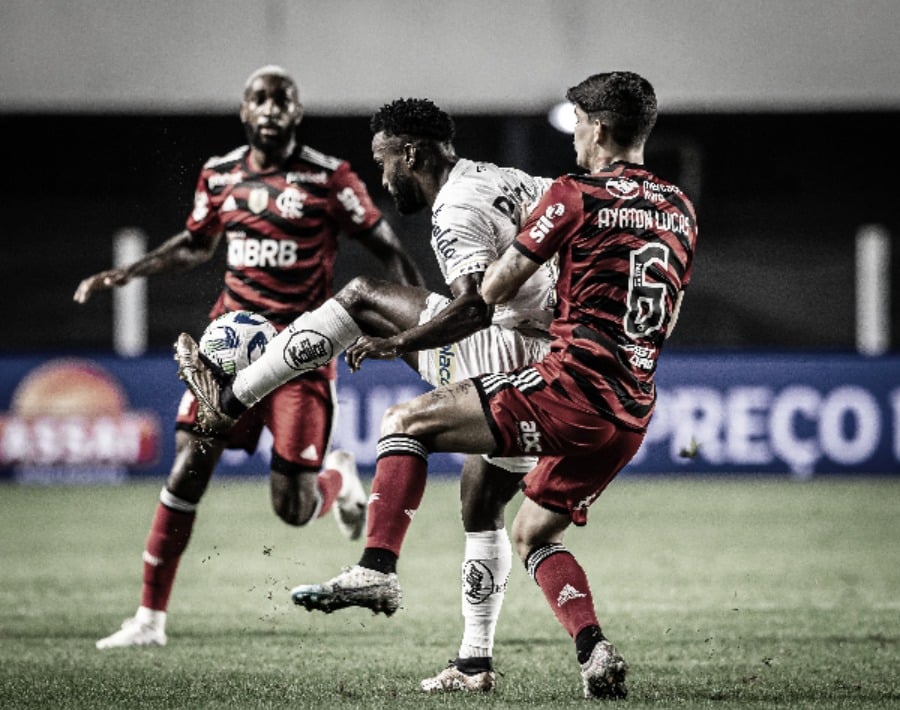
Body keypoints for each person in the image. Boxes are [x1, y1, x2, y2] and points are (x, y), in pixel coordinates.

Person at [284, 71, 698, 700]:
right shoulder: (680, 207)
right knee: (530, 532)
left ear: (602, 128)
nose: (577, 137)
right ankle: (591, 650)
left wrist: (401, 341)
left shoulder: (572, 194)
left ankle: (376, 569)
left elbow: (485, 298)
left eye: (580, 124)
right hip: (634, 404)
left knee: (405, 421)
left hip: (570, 386)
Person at [175, 98, 556, 692]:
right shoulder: (510, 179)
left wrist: (398, 340)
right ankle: (474, 663)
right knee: (482, 507)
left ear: (413, 154)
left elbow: (473, 307)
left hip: (502, 354)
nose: (383, 178)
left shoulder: (454, 205)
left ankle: (230, 400)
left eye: (384, 162)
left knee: (360, 299)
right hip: (548, 368)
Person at [73, 65, 424, 650]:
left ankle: (336, 479)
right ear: (243, 111)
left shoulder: (329, 178)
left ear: (295, 112)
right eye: (259, 99)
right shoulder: (219, 176)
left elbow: (385, 248)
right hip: (227, 350)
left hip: (303, 351)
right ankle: (149, 620)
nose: (269, 109)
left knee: (292, 509)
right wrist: (128, 272)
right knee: (190, 461)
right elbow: (195, 243)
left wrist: (422, 324)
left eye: (281, 100)